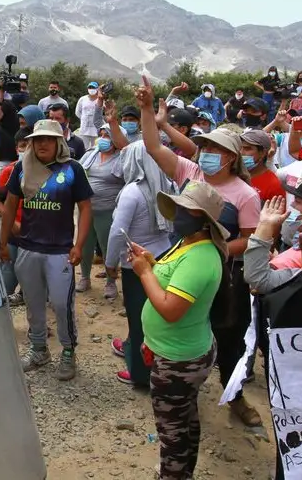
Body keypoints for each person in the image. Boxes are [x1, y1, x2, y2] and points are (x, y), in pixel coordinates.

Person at [137, 84, 263, 427]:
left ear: (231, 158)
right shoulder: (189, 172)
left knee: (229, 336)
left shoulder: (246, 194)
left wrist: (211, 249)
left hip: (225, 275)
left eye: (215, 149)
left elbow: (251, 239)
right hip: (181, 263)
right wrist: (147, 110)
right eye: (204, 147)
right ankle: (184, 384)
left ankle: (235, 395)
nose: (206, 153)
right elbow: (153, 146)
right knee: (186, 326)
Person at [130, 180, 226, 480]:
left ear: (203, 220)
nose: (177, 214)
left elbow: (170, 310)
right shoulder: (187, 243)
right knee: (183, 419)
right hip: (177, 351)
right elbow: (171, 278)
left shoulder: (200, 257)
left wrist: (144, 273)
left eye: (186, 210)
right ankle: (183, 472)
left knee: (171, 432)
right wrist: (152, 263)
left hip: (178, 360)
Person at [0, 119, 94, 382]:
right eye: (37, 139)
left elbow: (86, 208)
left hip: (60, 251)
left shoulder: (72, 169)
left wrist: (78, 245)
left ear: (58, 142)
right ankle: (39, 349)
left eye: (48, 139)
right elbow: (10, 205)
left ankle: (68, 350)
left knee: (62, 304)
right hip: (28, 248)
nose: (42, 144)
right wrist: (3, 243)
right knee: (33, 303)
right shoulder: (22, 167)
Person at [106, 142, 176, 387]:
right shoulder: (168, 185)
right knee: (154, 314)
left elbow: (117, 232)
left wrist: (110, 263)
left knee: (138, 317)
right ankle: (132, 346)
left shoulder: (132, 192)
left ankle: (140, 373)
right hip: (163, 254)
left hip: (136, 261)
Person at [77, 124, 125, 299]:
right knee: (84, 245)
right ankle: (84, 278)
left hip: (108, 210)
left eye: (108, 135)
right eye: (102, 135)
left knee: (108, 247)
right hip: (86, 209)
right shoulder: (91, 155)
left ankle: (111, 283)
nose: (103, 139)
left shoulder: (123, 158)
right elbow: (78, 172)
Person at [0, 128, 32, 306]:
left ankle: (26, 296)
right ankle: (1, 306)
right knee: (8, 272)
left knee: (32, 275)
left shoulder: (47, 172)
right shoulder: (9, 171)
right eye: (22, 146)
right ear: (16, 149)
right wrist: (12, 222)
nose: (26, 150)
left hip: (35, 236)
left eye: (29, 146)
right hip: (13, 234)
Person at [240, 129, 284, 203]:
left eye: (247, 149)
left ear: (263, 153)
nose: (241, 153)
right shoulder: (232, 175)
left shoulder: (274, 186)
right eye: (239, 148)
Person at [74, 81, 104, 149]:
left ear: (97, 89)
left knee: (96, 148)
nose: (91, 89)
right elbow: (77, 112)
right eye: (90, 87)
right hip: (84, 130)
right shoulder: (82, 99)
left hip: (96, 130)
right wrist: (84, 119)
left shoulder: (100, 100)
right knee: (84, 149)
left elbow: (103, 112)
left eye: (93, 87)